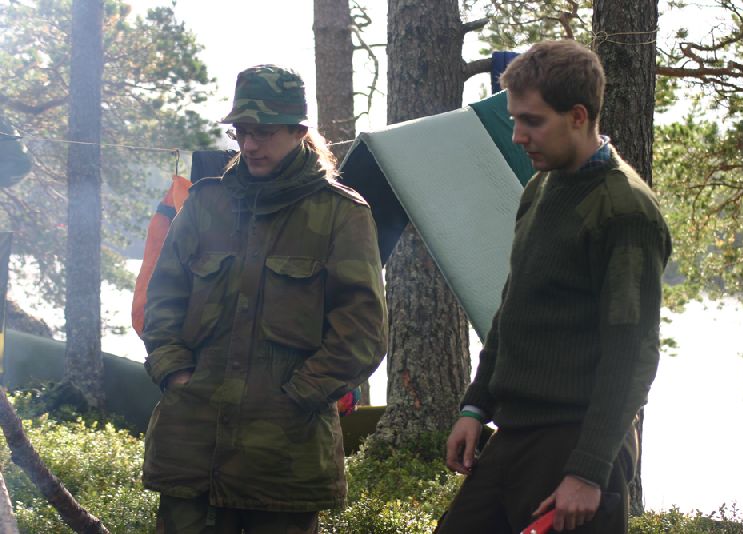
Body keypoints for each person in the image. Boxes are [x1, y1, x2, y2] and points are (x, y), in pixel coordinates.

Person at [437, 40, 672, 534]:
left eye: (533, 121)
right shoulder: (540, 188)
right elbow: (512, 309)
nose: (518, 135)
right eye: (515, 119)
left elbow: (632, 355)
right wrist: (476, 405)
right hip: (515, 435)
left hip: (576, 444)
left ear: (579, 116)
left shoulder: (624, 211)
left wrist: (587, 472)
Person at [141, 64, 388, 534]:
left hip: (284, 460)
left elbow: (362, 333)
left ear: (298, 132)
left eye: (264, 132)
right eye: (241, 132)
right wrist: (175, 374)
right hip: (193, 450)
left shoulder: (340, 214)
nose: (250, 145)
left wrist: (295, 398)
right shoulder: (205, 204)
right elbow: (162, 301)